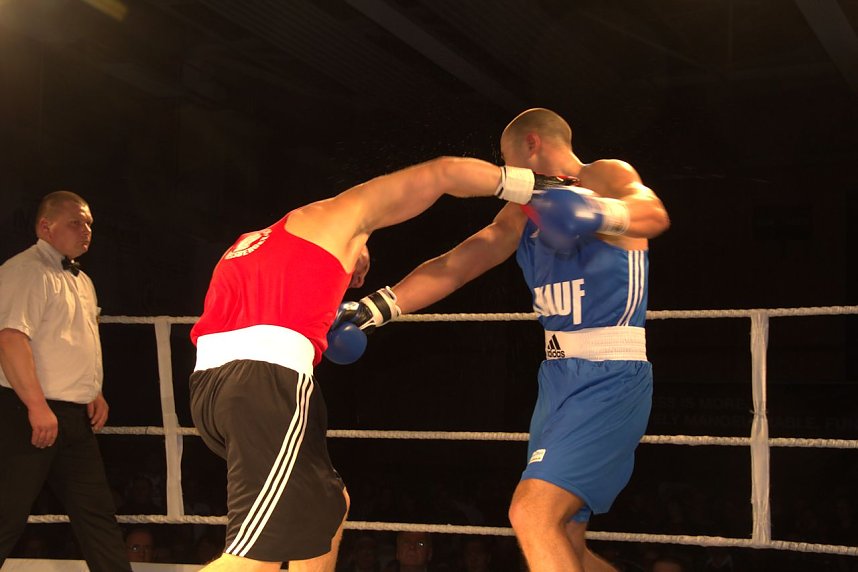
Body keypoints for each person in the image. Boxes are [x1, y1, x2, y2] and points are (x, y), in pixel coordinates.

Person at [337, 108, 670, 571]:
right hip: (556, 382)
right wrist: (378, 306)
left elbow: (653, 213)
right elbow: (461, 262)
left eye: (508, 160)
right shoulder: (522, 212)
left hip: (609, 373)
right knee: (566, 542)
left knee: (531, 513)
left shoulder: (603, 175)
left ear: (531, 144)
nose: (509, 174)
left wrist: (597, 211)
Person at [189, 156, 558, 572]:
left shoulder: (251, 243)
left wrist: (358, 292)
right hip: (266, 383)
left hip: (213, 387)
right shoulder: (339, 213)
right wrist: (534, 186)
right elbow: (445, 173)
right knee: (254, 559)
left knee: (327, 507)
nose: (360, 267)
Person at [0, 191, 132, 571]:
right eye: (75, 221)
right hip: (29, 413)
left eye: (89, 222)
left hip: (73, 419)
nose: (86, 229)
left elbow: (71, 338)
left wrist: (94, 391)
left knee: (98, 518)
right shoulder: (25, 270)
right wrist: (37, 406)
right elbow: (10, 340)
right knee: (6, 514)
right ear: (46, 227)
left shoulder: (82, 280)